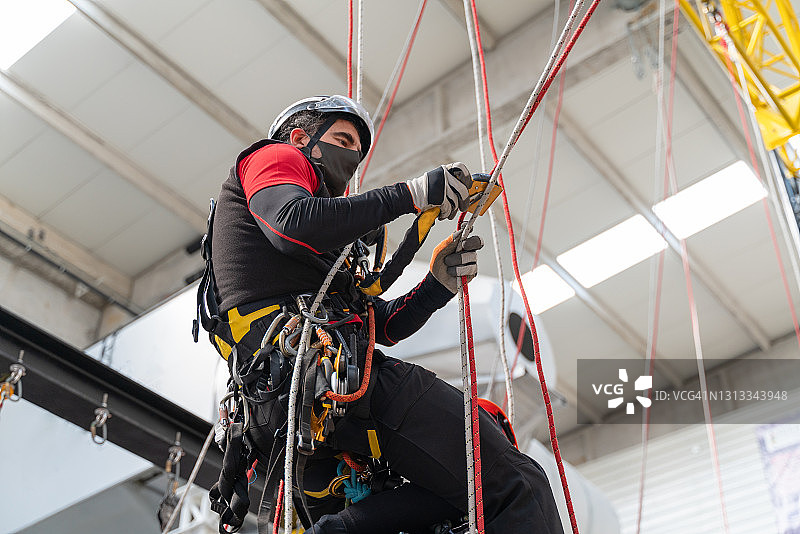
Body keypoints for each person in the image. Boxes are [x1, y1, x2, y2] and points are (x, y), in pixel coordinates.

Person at [201, 95, 564, 533]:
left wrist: (437, 285)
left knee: (452, 500)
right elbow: (291, 223)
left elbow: (381, 326)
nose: (351, 156)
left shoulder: (319, 259)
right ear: (299, 138)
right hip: (318, 382)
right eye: (342, 140)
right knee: (516, 483)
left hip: (298, 402)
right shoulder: (274, 158)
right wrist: (410, 195)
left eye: (357, 151)